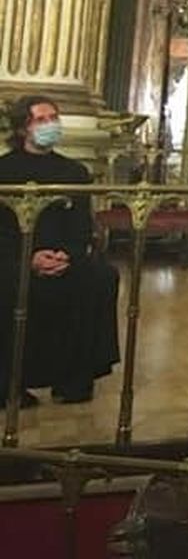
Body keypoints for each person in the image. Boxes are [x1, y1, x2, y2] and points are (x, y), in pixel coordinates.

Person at [0, 97, 120, 405]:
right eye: (42, 119)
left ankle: (75, 378)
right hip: (14, 258)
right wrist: (29, 259)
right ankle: (8, 384)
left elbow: (81, 225)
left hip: (63, 256)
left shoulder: (74, 172)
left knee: (102, 276)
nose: (51, 124)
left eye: (54, 117)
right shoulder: (4, 170)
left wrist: (68, 253)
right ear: (22, 128)